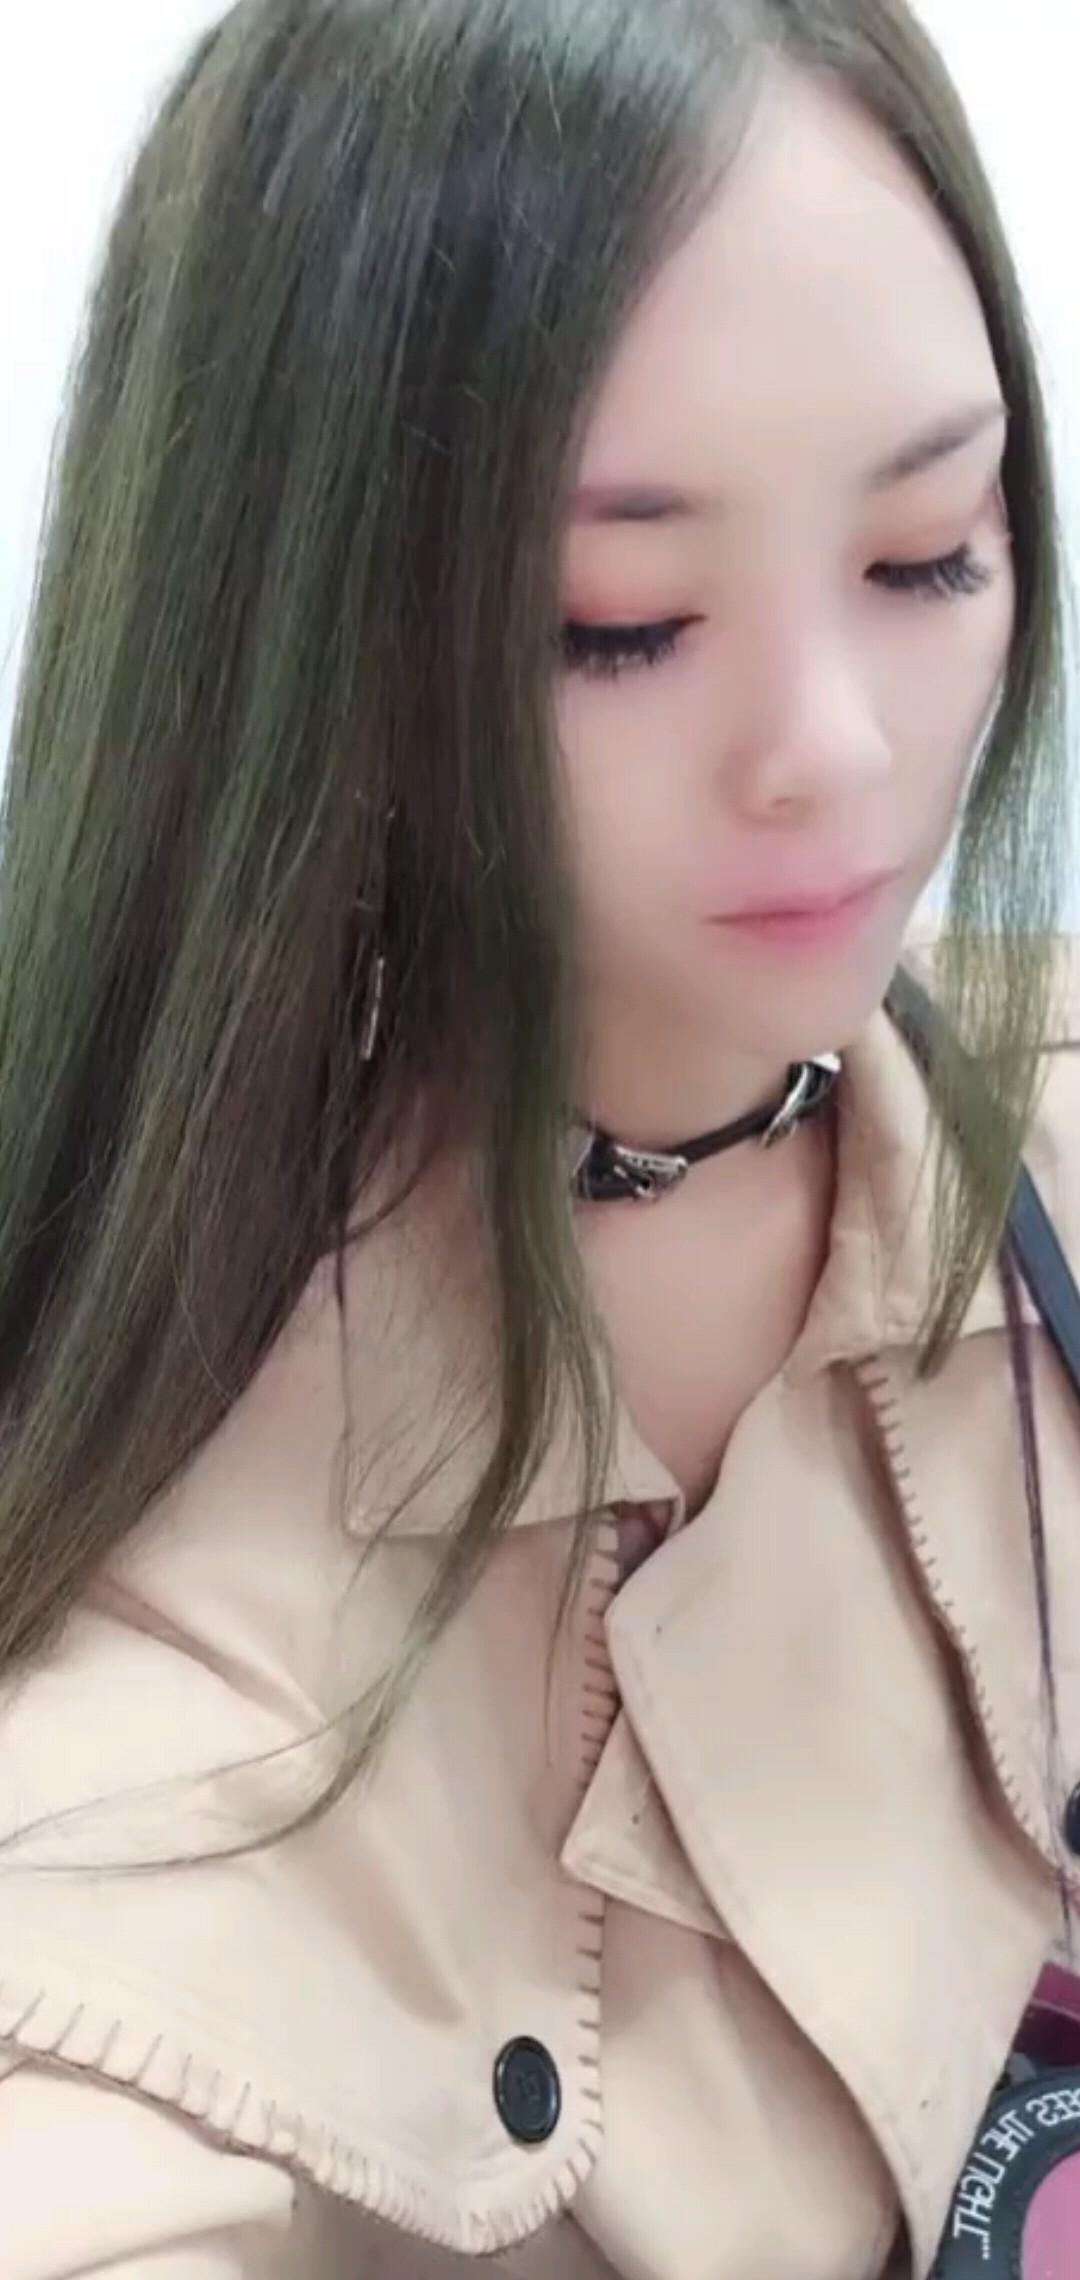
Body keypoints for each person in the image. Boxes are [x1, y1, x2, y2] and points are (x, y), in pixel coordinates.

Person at [0, 0, 1076, 2272]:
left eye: (925, 553)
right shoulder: (146, 1714)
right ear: (284, 633)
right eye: (620, 624)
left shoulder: (1034, 1119)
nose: (836, 750)